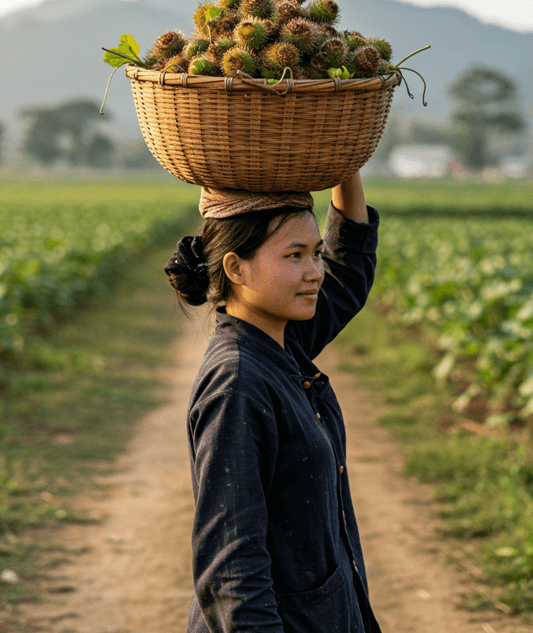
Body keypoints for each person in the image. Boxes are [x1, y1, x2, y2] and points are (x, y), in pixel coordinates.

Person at [164, 172, 382, 632]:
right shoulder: (238, 384)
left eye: (316, 253)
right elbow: (231, 571)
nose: (315, 272)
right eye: (295, 256)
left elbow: (350, 270)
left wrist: (344, 162)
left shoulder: (280, 343)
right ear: (236, 268)